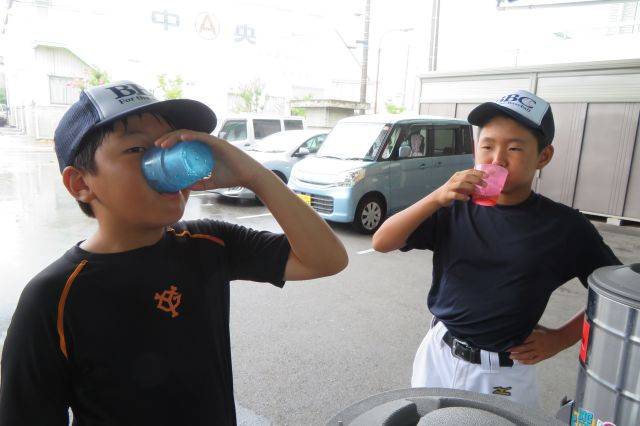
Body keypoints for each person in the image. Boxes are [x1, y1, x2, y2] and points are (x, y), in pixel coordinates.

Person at [0, 81, 348, 425]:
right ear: (81, 183)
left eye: (171, 144)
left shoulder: (209, 242)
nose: (169, 162)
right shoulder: (54, 298)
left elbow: (327, 259)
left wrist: (254, 176)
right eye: (138, 149)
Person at [372, 90, 620, 408]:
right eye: (487, 146)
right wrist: (437, 196)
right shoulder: (454, 206)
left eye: (514, 148)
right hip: (439, 354)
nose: (497, 159)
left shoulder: (565, 226)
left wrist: (561, 338)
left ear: (543, 156)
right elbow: (382, 241)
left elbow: (617, 298)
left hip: (503, 374)